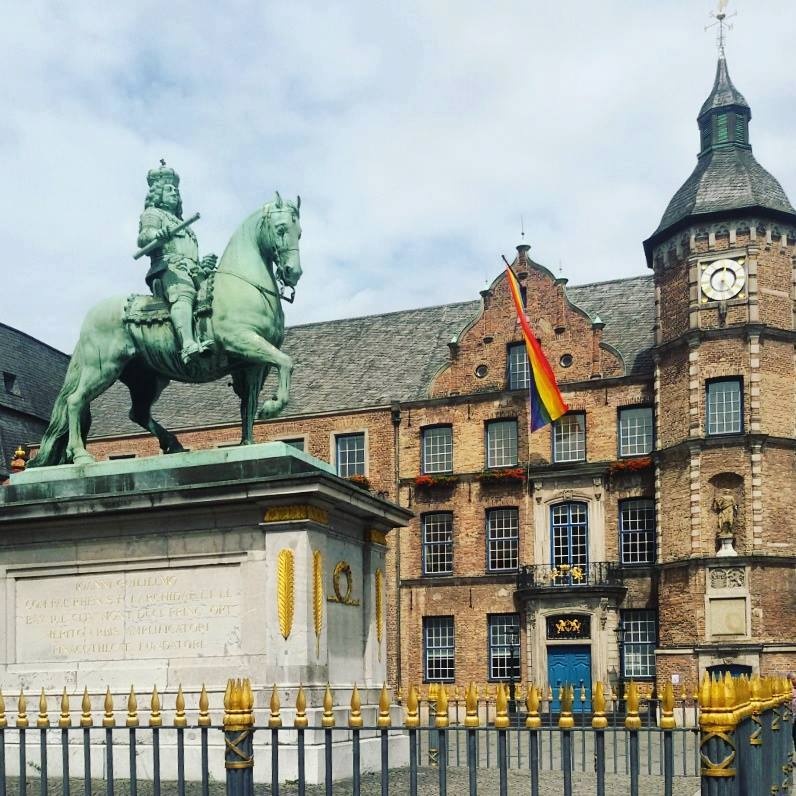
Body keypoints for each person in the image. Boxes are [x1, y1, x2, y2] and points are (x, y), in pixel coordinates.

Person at [137, 162, 215, 363]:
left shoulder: (187, 227)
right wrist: (157, 235)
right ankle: (188, 344)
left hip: (191, 270)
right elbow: (144, 238)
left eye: (176, 190)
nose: (174, 193)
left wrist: (204, 266)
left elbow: (191, 257)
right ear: (158, 194)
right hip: (167, 269)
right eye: (169, 190)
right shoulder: (153, 214)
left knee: (215, 294)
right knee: (184, 293)